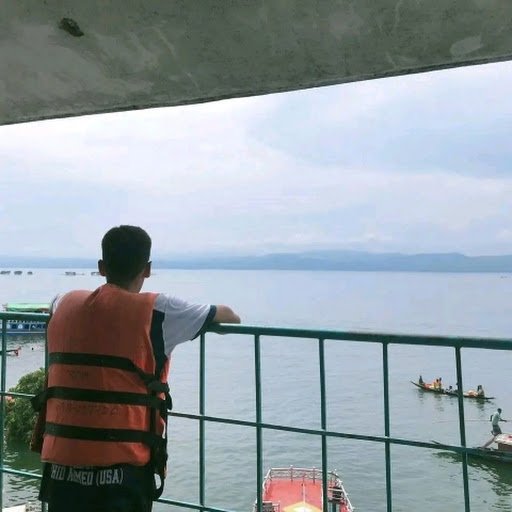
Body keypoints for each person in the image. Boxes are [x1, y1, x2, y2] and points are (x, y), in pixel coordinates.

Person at [31, 225, 241, 512]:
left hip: (62, 469)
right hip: (123, 476)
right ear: (148, 269)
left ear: (101, 267)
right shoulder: (159, 310)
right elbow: (229, 316)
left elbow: (54, 306)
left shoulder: (64, 302)